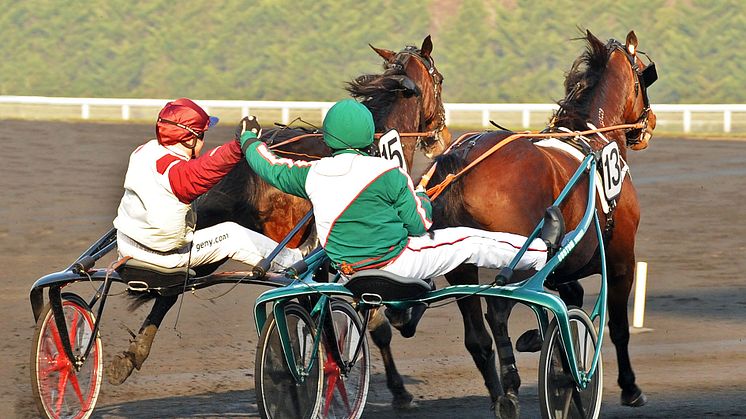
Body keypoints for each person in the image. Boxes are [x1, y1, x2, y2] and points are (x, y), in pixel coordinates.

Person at [239, 98, 561, 335]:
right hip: (400, 266)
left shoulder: (312, 173)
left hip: (348, 274)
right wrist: (421, 195)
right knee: (469, 240)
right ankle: (540, 252)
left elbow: (269, 166)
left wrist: (249, 139)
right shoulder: (388, 171)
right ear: (368, 136)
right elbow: (420, 224)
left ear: (330, 138)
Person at [108, 98, 302, 385]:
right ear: (189, 138)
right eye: (201, 136)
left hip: (127, 249)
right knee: (233, 233)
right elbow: (204, 171)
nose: (203, 141)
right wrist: (242, 143)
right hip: (167, 258)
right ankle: (297, 261)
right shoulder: (181, 175)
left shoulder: (142, 153)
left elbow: (194, 167)